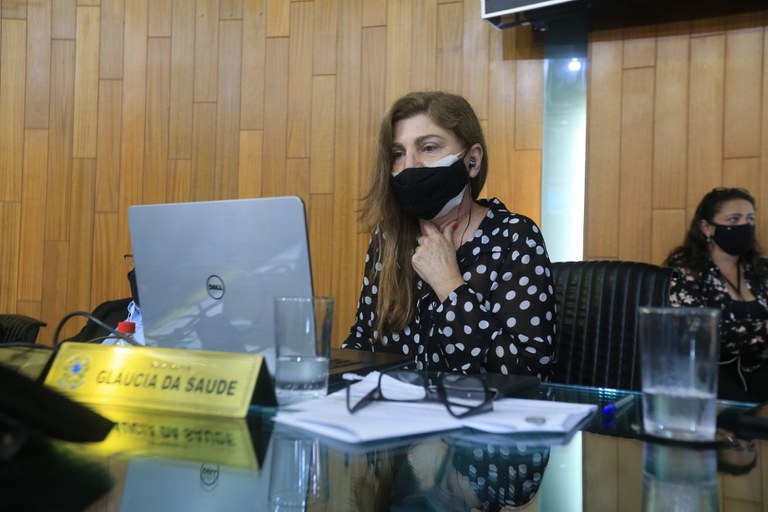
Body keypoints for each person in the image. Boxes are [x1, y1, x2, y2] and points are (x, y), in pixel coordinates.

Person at [341, 91, 557, 379]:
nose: (410, 166)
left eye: (428, 148)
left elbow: (529, 375)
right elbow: (364, 341)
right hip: (394, 406)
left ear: (472, 161)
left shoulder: (514, 237)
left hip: (480, 409)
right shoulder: (388, 238)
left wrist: (449, 285)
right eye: (398, 154)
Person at [665, 187, 768, 402]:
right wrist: (763, 330)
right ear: (707, 228)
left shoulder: (761, 267)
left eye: (750, 219)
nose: (744, 226)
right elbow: (696, 331)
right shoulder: (683, 269)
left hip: (759, 368)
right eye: (734, 219)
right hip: (707, 374)